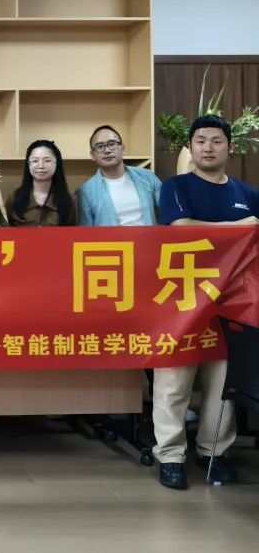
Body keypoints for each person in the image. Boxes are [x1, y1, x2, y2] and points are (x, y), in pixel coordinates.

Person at [153, 114, 259, 490]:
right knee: (174, 380)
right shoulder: (175, 187)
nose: (208, 147)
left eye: (216, 141)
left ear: (229, 147)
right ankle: (170, 456)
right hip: (181, 301)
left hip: (232, 303)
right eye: (200, 140)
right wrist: (238, 227)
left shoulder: (248, 194)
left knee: (223, 383)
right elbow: (180, 229)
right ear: (190, 147)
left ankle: (214, 452)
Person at [76, 124, 161, 227]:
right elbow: (85, 231)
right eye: (100, 146)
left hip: (148, 237)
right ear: (93, 155)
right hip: (109, 238)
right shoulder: (86, 191)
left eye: (112, 144)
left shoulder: (148, 177)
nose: (107, 150)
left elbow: (166, 213)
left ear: (123, 149)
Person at [6, 140, 75, 227]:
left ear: (57, 163)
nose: (41, 166)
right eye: (35, 161)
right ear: (28, 164)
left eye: (47, 161)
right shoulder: (14, 198)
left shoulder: (69, 201)